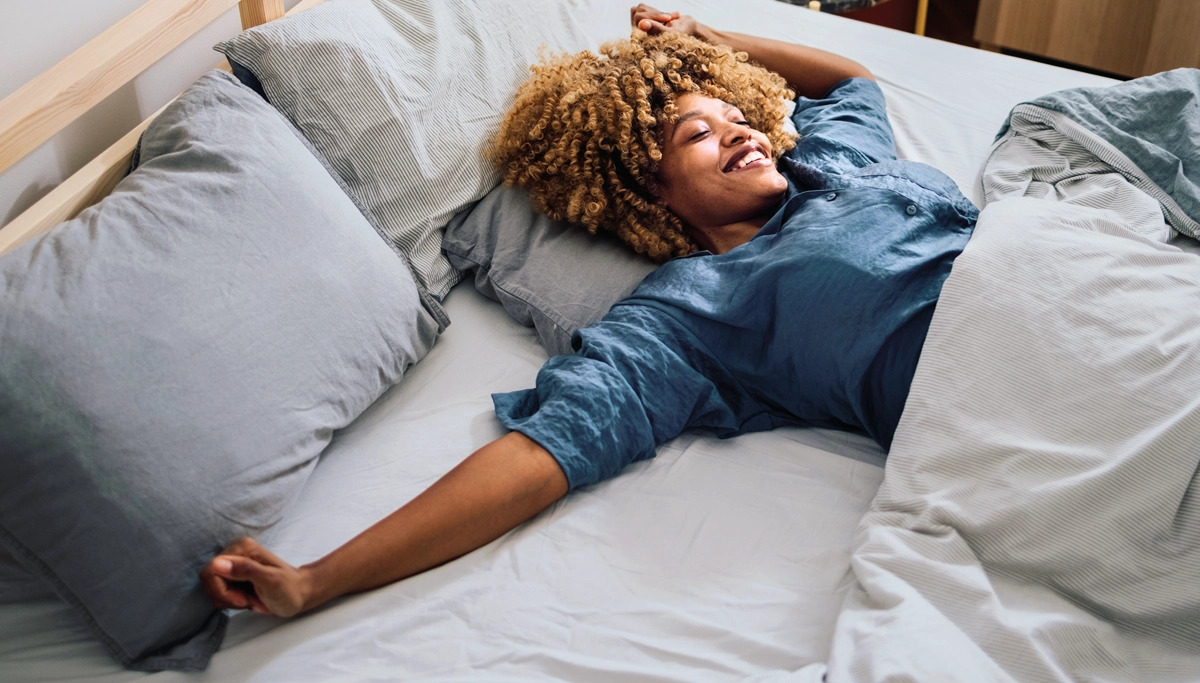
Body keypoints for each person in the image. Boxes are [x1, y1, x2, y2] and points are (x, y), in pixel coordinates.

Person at [200, 4, 977, 618]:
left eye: (736, 116)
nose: (739, 130)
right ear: (652, 194)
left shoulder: (828, 158)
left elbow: (852, 84)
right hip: (987, 384)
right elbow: (543, 454)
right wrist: (317, 578)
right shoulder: (694, 316)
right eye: (696, 135)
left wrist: (709, 36)